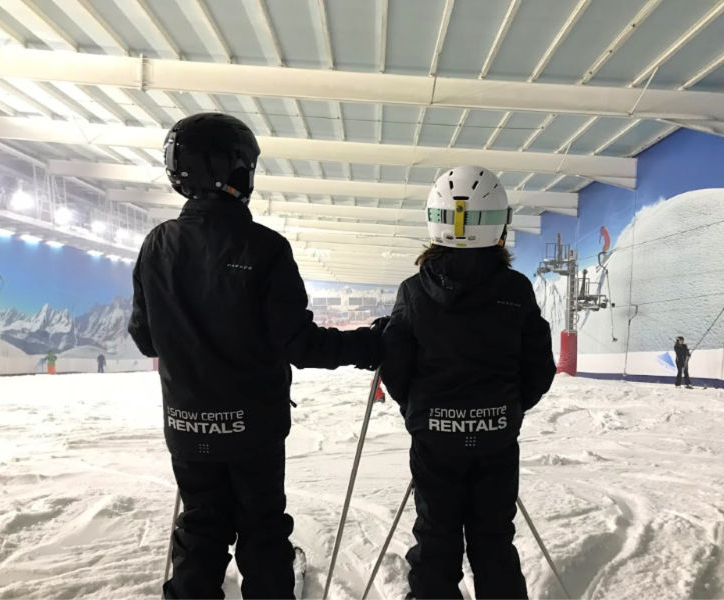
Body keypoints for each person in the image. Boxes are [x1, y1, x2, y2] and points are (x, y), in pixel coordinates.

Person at [127, 112, 384, 599]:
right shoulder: (264, 248)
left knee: (202, 527)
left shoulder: (156, 246)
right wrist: (369, 344)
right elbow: (300, 344)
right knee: (261, 531)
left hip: (187, 425)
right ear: (233, 169)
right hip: (252, 431)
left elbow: (146, 338)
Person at [380, 166, 556, 599]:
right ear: (499, 222)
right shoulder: (515, 289)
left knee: (437, 540)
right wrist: (504, 410)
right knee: (493, 541)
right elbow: (538, 367)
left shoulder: (413, 291)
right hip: (495, 437)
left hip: (436, 439)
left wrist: (425, 414)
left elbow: (397, 369)